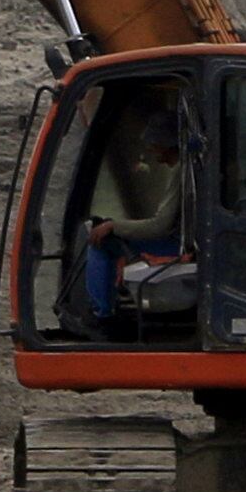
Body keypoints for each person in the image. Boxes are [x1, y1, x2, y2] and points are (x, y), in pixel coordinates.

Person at [79, 95, 192, 333]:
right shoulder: (188, 166)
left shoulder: (183, 169)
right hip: (180, 238)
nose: (152, 153)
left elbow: (159, 226)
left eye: (155, 146)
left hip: (176, 244)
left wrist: (113, 226)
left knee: (101, 242)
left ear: (166, 143)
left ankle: (102, 315)